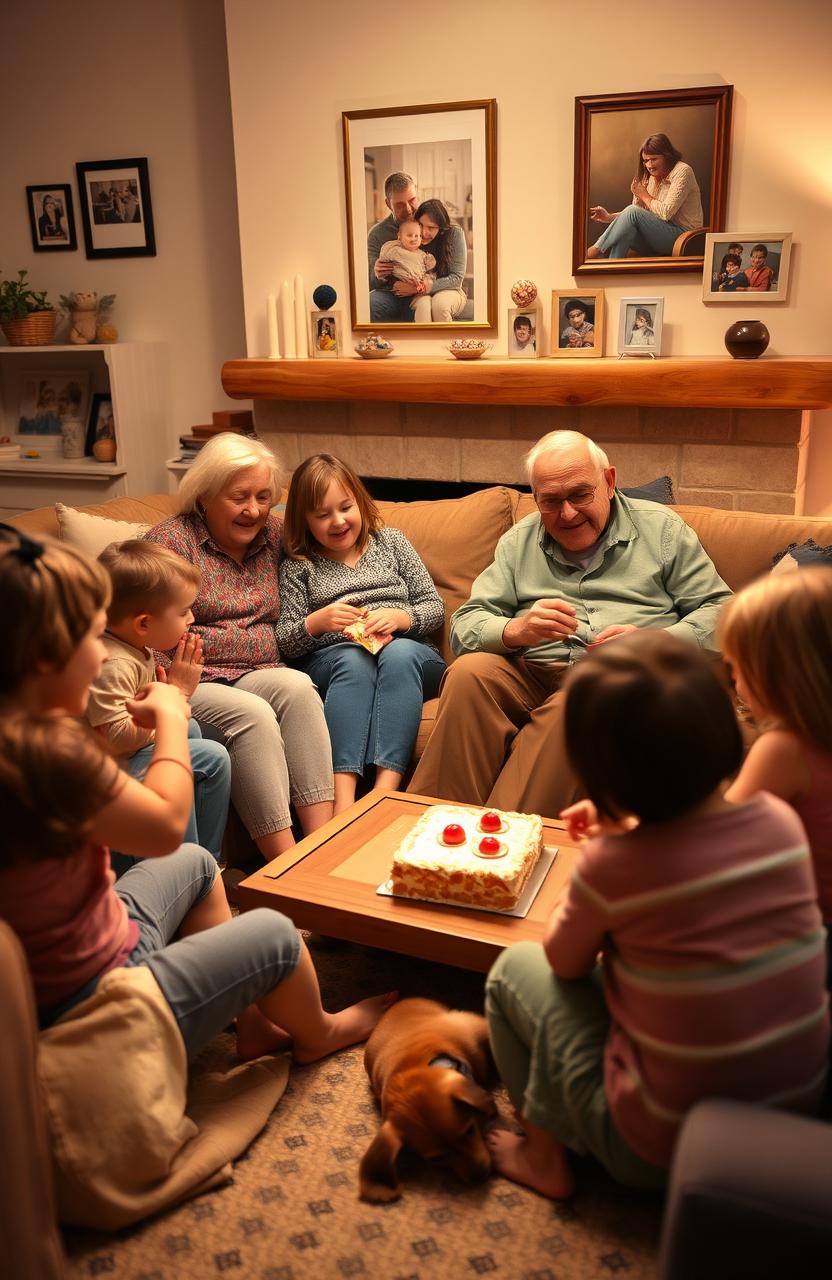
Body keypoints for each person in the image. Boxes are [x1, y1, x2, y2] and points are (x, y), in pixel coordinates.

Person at [0, 525, 395, 1067]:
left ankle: (253, 1025)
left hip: (85, 946)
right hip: (99, 1001)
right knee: (276, 933)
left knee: (195, 863)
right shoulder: (46, 758)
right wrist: (170, 711)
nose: (99, 657)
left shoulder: (24, 734)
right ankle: (319, 1031)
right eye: (90, 639)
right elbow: (162, 825)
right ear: (44, 660)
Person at [484, 630, 829, 1198]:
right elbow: (698, 864)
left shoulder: (614, 865)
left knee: (512, 972)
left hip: (658, 1151)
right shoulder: (777, 818)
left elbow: (564, 966)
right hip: (795, 1108)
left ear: (599, 770)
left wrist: (612, 848)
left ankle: (544, 1157)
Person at [408, 429, 733, 818]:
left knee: (578, 703)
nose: (567, 513)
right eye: (551, 501)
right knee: (469, 673)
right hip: (533, 669)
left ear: (609, 482)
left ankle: (503, 844)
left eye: (580, 494)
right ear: (536, 498)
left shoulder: (662, 530)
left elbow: (722, 612)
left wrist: (656, 641)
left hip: (621, 679)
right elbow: (465, 626)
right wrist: (517, 630)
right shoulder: (518, 542)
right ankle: (429, 831)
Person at [144, 433, 335, 863]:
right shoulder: (170, 544)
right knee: (252, 716)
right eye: (239, 497)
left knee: (299, 689)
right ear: (204, 496)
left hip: (262, 668)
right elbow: (144, 625)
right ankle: (286, 868)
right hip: (191, 677)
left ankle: (323, 850)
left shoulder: (276, 533)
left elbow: (333, 563)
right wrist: (170, 685)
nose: (253, 510)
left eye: (263, 496)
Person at [277, 454, 446, 814]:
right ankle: (344, 803)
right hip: (337, 662)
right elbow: (286, 642)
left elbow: (435, 608)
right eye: (322, 515)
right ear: (303, 520)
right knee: (354, 661)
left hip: (410, 653)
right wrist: (316, 622)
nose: (338, 521)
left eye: (345, 507)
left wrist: (401, 618)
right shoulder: (299, 566)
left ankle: (384, 795)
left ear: (360, 501)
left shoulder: (392, 543)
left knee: (396, 654)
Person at [718, 568, 832, 983]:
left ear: (782, 673)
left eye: (739, 669)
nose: (735, 682)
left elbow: (713, 840)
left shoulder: (785, 748)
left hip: (808, 948)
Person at [87, 539, 231, 866]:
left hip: (124, 755)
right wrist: (174, 700)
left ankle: (202, 867)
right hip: (103, 770)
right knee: (212, 758)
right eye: (183, 612)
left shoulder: (134, 646)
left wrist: (169, 703)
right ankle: (192, 869)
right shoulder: (115, 663)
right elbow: (113, 740)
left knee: (192, 730)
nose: (192, 618)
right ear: (144, 623)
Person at [587, 133, 703, 260]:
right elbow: (634, 216)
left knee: (632, 212)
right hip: (658, 236)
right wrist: (609, 217)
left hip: (684, 238)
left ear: (667, 156)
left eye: (654, 159)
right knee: (627, 230)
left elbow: (665, 213)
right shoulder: (650, 177)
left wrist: (644, 195)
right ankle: (611, 268)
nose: (649, 165)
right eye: (646, 161)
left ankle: (596, 249)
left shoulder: (682, 171)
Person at [368, 171, 421, 323]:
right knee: (370, 303)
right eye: (400, 205)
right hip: (390, 295)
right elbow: (370, 282)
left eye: (412, 200)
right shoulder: (376, 234)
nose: (409, 209)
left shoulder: (428, 223)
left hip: (423, 293)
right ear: (388, 204)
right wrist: (377, 274)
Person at [410, 198, 468, 323]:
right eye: (420, 225)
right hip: (419, 294)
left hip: (451, 290)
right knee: (423, 307)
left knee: (440, 306)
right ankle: (425, 343)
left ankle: (447, 343)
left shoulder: (454, 233)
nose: (423, 232)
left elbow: (456, 278)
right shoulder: (412, 234)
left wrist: (420, 288)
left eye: (431, 227)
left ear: (441, 228)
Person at [378, 218, 436, 301]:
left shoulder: (422, 254)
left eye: (417, 236)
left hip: (418, 287)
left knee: (425, 299)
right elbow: (384, 254)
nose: (414, 238)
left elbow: (430, 268)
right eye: (409, 235)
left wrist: (430, 262)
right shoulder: (395, 250)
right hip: (398, 287)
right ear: (399, 236)